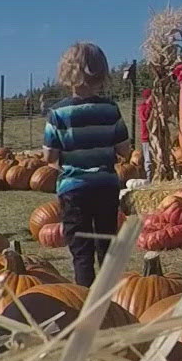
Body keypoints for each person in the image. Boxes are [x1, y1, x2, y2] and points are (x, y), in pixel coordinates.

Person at [42, 43, 130, 286]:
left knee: (81, 253)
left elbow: (49, 157)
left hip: (73, 189)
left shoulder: (58, 113)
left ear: (66, 72)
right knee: (107, 247)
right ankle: (109, 301)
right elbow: (124, 150)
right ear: (101, 72)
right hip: (105, 186)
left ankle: (84, 299)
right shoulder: (110, 109)